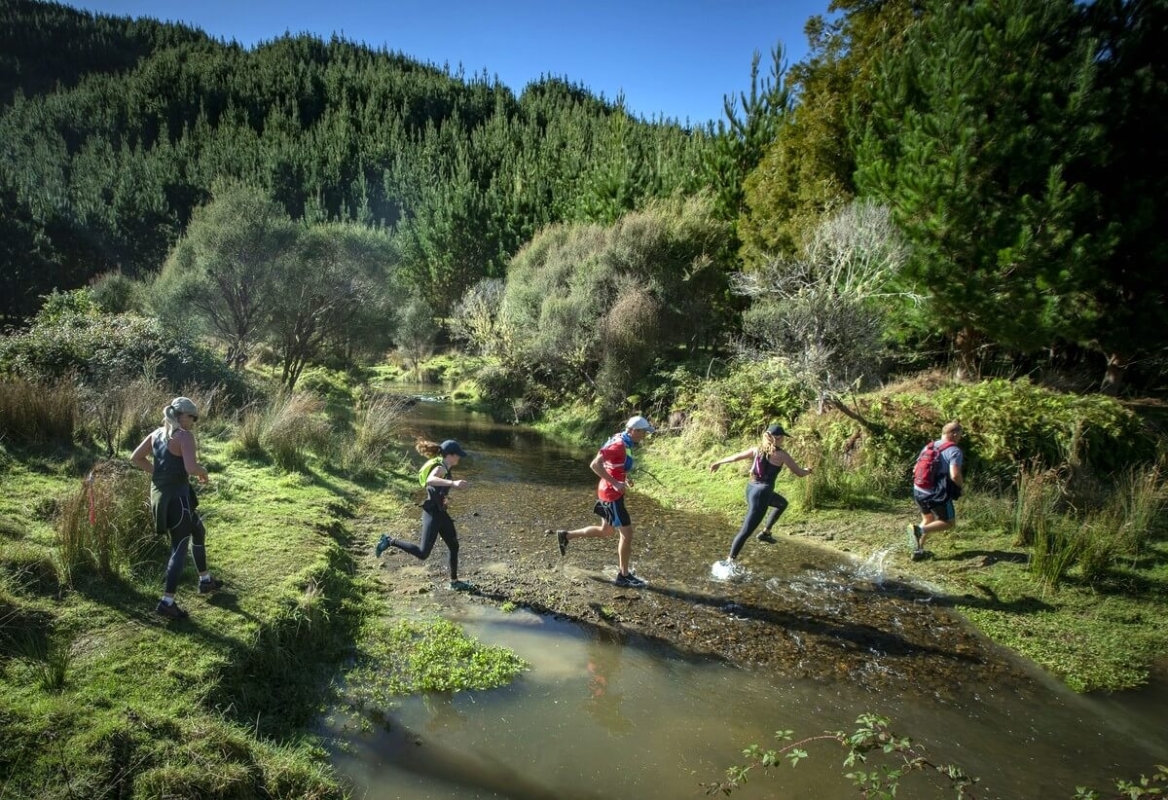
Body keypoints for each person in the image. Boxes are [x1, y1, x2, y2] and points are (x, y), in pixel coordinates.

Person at [130, 396, 222, 619]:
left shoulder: (156, 434)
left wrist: (160, 474)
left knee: (198, 531)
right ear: (182, 416)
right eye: (192, 417)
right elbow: (191, 468)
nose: (193, 422)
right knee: (179, 545)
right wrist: (204, 472)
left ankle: (205, 581)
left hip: (164, 498)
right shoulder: (183, 436)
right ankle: (167, 602)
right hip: (178, 501)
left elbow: (136, 457)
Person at [545, 415, 655, 588]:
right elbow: (595, 464)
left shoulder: (623, 441)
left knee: (606, 531)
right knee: (627, 534)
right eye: (643, 432)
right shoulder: (619, 444)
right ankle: (623, 575)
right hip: (611, 494)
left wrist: (624, 479)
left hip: (608, 491)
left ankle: (566, 536)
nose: (645, 436)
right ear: (634, 430)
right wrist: (616, 483)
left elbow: (613, 465)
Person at [709, 422, 813, 565]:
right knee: (746, 531)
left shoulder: (756, 450)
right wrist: (808, 471)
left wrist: (718, 462)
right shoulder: (781, 455)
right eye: (782, 437)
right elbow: (799, 473)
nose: (783, 439)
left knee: (782, 503)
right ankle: (729, 562)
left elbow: (735, 457)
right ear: (777, 438)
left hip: (751, 489)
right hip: (762, 493)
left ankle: (766, 533)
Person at [376, 439, 472, 590]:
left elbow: (436, 488)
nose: (459, 457)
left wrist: (444, 498)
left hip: (441, 512)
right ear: (450, 455)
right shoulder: (440, 467)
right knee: (423, 553)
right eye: (458, 455)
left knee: (454, 546)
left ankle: (454, 583)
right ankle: (389, 541)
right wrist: (453, 484)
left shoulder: (445, 466)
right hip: (432, 514)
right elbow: (430, 479)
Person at [908, 421, 966, 561]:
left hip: (918, 489)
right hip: (936, 494)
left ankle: (918, 551)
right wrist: (961, 487)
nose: (960, 437)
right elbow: (955, 475)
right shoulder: (954, 451)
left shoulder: (929, 446)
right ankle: (918, 530)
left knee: (928, 519)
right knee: (949, 522)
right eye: (960, 434)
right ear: (954, 434)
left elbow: (915, 469)